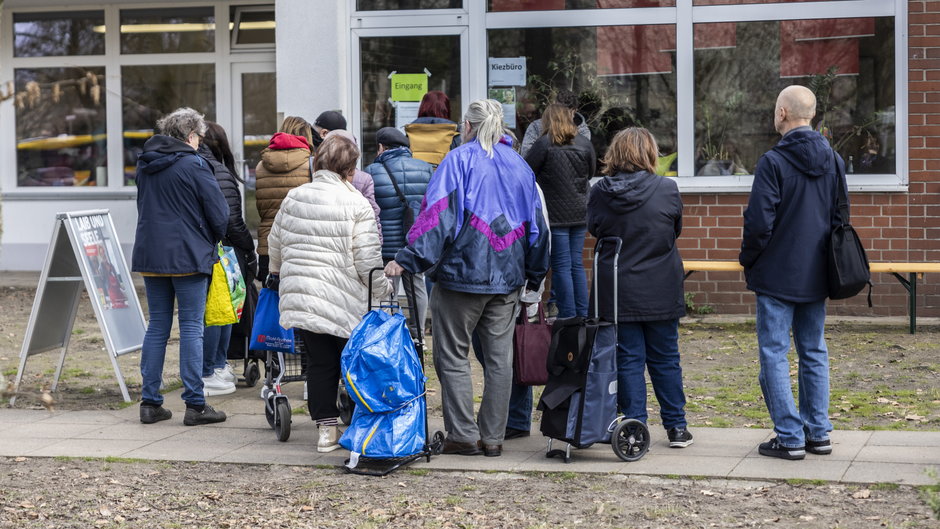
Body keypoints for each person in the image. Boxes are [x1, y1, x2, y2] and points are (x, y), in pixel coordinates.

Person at [385, 99, 550, 458]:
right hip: (508, 279)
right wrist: (534, 279)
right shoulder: (521, 166)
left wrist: (408, 258)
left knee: (453, 357)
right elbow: (539, 228)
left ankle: (464, 435)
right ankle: (493, 437)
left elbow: (436, 217)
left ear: (468, 126)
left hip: (461, 277)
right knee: (499, 360)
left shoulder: (457, 161)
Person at [268, 134, 393, 453]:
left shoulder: (295, 197)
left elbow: (275, 244)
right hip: (345, 299)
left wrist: (279, 272)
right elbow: (368, 261)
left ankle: (326, 430)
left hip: (304, 296)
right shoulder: (356, 203)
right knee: (354, 363)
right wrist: (384, 289)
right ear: (350, 169)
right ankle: (359, 423)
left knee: (320, 363)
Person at [739, 85, 841, 460]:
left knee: (774, 353)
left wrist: (749, 259)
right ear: (810, 116)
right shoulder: (834, 160)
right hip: (817, 274)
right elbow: (840, 217)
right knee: (813, 351)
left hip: (777, 274)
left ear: (782, 113)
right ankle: (818, 433)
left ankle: (789, 436)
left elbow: (758, 224)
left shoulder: (773, 162)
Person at [586, 127, 693, 449]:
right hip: (660, 284)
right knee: (666, 358)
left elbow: (595, 229)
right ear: (649, 153)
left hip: (619, 286)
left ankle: (634, 427)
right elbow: (675, 230)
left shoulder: (601, 192)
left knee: (628, 358)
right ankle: (676, 427)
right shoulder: (668, 189)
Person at [132, 107, 229, 426]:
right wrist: (213, 239)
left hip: (151, 253)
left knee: (157, 324)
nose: (201, 142)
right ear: (190, 136)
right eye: (199, 137)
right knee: (191, 326)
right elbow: (219, 212)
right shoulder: (195, 164)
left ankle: (150, 402)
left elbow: (143, 204)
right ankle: (195, 404)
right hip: (189, 253)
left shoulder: (145, 163)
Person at [198, 122, 257, 396]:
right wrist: (249, 248)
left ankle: (215, 366)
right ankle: (213, 368)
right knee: (222, 312)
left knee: (215, 311)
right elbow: (232, 219)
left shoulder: (195, 167)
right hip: (224, 252)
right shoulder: (218, 171)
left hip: (204, 249)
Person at [524, 103, 595, 319]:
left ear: (548, 120)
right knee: (576, 264)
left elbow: (528, 172)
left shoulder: (543, 144)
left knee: (562, 266)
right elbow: (591, 173)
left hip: (554, 215)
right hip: (580, 212)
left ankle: (568, 316)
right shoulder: (584, 143)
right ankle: (582, 315)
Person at [364, 127, 434, 329]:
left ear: (380, 147)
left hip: (386, 243)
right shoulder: (425, 168)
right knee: (417, 285)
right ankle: (419, 334)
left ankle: (391, 333)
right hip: (414, 243)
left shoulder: (371, 172)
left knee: (387, 290)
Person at [255, 116, 315, 284]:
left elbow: (261, 208)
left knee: (273, 302)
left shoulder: (261, 166)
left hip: (268, 242)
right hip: (301, 243)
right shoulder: (311, 165)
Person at [520, 90, 591, 158]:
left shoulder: (583, 131)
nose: (561, 116)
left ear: (574, 111)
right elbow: (526, 155)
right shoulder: (536, 126)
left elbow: (585, 159)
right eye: (558, 111)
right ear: (553, 106)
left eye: (566, 113)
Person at [405, 90, 461, 167]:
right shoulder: (454, 134)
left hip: (416, 177)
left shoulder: (410, 132)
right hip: (444, 178)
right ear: (446, 109)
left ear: (423, 108)